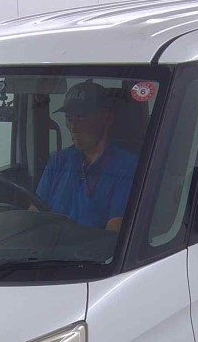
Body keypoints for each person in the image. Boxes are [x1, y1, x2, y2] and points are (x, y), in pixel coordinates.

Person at [35, 81, 138, 231]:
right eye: (69, 118)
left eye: (81, 118)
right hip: (50, 243)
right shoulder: (58, 161)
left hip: (93, 246)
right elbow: (35, 213)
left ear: (107, 119)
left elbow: (115, 229)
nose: (73, 128)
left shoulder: (127, 167)